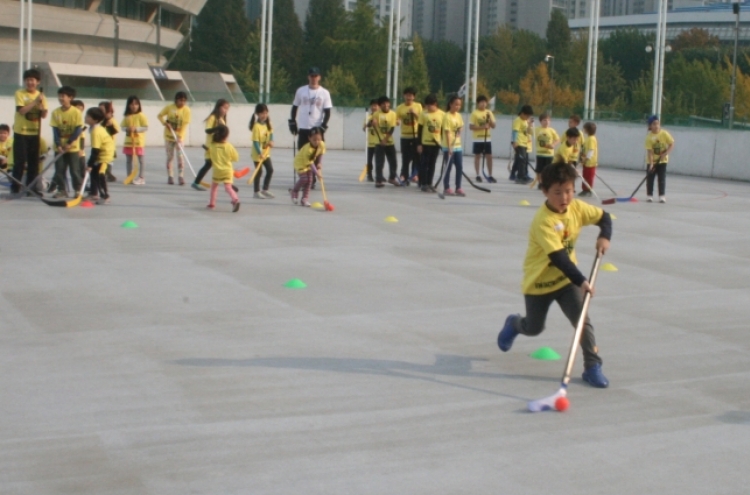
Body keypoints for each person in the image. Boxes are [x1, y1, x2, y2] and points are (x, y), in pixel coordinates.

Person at [497, 161, 612, 388]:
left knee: (582, 321)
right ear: (545, 191)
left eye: (569, 191)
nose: (565, 198)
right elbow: (559, 258)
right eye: (557, 193)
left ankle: (592, 365)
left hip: (566, 282)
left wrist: (604, 236)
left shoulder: (577, 208)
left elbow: (604, 217)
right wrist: (582, 281)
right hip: (539, 282)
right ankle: (514, 324)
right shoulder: (543, 221)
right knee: (534, 328)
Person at [289, 67, 332, 188]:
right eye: (312, 76)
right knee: (303, 153)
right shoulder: (301, 91)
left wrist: (323, 126)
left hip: (317, 128)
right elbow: (295, 107)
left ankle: (312, 178)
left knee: (317, 154)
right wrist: (292, 121)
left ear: (319, 77)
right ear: (308, 77)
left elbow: (327, 111)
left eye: (316, 76)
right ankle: (304, 177)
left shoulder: (324, 93)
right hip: (304, 127)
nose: (314, 78)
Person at [11, 68, 48, 195]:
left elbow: (43, 116)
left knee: (34, 162)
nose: (30, 82)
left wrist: (43, 109)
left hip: (34, 133)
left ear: (38, 82)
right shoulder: (20, 94)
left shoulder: (42, 96)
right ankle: (15, 187)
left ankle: (31, 188)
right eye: (27, 80)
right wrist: (35, 102)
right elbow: (21, 111)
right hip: (21, 132)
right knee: (20, 161)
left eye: (32, 80)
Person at [49, 86, 84, 198]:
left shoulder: (76, 112)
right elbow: (55, 130)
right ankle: (61, 190)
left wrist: (69, 142)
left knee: (74, 170)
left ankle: (78, 190)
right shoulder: (55, 112)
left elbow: (78, 129)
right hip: (59, 148)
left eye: (63, 96)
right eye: (59, 96)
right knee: (59, 170)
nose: (60, 98)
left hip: (72, 147)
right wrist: (58, 144)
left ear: (70, 98)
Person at [193, 99, 229, 191]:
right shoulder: (213, 117)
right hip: (211, 147)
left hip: (218, 147)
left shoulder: (222, 119)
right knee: (210, 165)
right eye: (224, 108)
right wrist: (217, 128)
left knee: (210, 165)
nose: (226, 110)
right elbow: (207, 130)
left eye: (227, 108)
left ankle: (196, 182)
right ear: (218, 107)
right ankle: (228, 184)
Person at [158, 92, 192, 185]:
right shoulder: (169, 107)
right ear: (176, 100)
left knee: (180, 157)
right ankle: (170, 176)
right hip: (169, 137)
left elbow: (185, 124)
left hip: (179, 138)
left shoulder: (187, 110)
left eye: (184, 101)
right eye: (180, 100)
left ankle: (181, 176)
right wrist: (165, 123)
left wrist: (179, 136)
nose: (182, 102)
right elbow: (160, 116)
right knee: (170, 157)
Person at [207, 125, 240, 212]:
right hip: (228, 170)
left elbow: (210, 156)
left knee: (214, 187)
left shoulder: (212, 145)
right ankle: (235, 199)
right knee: (228, 187)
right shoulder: (229, 146)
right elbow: (236, 158)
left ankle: (212, 204)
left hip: (217, 171)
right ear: (226, 135)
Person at [85, 107, 115, 205]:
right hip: (100, 153)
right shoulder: (94, 128)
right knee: (93, 172)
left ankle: (105, 196)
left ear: (95, 120)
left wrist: (89, 164)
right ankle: (94, 193)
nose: (85, 117)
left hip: (105, 155)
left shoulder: (96, 131)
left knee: (100, 174)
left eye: (88, 116)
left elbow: (95, 150)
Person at [290, 127, 326, 207]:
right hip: (300, 163)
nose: (317, 141)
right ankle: (294, 191)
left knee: (310, 180)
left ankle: (304, 199)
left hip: (309, 164)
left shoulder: (322, 144)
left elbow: (321, 153)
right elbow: (310, 163)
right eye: (314, 139)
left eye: (319, 139)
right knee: (304, 179)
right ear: (309, 138)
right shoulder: (308, 149)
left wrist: (319, 163)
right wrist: (317, 173)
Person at [417, 93, 444, 193]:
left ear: (435, 104)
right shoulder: (423, 114)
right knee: (424, 164)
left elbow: (443, 129)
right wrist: (419, 144)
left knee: (432, 164)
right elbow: (419, 130)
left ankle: (429, 183)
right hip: (425, 143)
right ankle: (423, 183)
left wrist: (443, 142)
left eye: (429, 105)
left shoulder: (442, 114)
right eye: (426, 105)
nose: (427, 107)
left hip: (436, 143)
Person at [395, 87, 423, 184]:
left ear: (414, 97)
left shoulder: (418, 106)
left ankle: (415, 174)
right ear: (404, 96)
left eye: (411, 95)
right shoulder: (399, 108)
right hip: (405, 136)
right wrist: (397, 121)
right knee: (405, 157)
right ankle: (404, 175)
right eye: (407, 95)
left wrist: (415, 113)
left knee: (416, 156)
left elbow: (422, 119)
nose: (409, 97)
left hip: (415, 136)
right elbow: (396, 119)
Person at [371, 96, 399, 188]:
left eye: (387, 103)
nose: (386, 105)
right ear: (380, 105)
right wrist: (374, 124)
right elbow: (374, 124)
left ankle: (392, 177)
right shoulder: (376, 114)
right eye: (383, 104)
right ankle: (378, 180)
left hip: (389, 141)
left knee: (393, 161)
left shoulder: (393, 114)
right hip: (379, 142)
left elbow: (392, 128)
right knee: (380, 162)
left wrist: (385, 140)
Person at [644, 115, 674, 203]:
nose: (656, 125)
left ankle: (662, 195)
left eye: (657, 123)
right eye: (654, 124)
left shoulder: (664, 134)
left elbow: (671, 144)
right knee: (650, 179)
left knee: (661, 178)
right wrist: (651, 164)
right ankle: (649, 195)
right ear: (650, 126)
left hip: (662, 161)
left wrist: (666, 153)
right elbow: (650, 152)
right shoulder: (649, 137)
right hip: (652, 161)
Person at [121, 95, 149, 185]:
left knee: (141, 160)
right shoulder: (127, 116)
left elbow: (145, 127)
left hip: (138, 142)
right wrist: (127, 129)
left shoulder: (141, 116)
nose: (134, 106)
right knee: (129, 160)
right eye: (132, 104)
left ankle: (141, 177)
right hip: (129, 142)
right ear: (128, 105)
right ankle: (129, 176)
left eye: (136, 104)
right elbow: (122, 127)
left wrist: (136, 129)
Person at [441, 95, 465, 196]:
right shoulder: (447, 116)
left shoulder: (458, 116)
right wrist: (450, 147)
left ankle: (458, 187)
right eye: (455, 104)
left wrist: (460, 130)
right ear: (451, 104)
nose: (457, 107)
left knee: (459, 166)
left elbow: (461, 126)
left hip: (458, 146)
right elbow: (447, 132)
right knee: (449, 167)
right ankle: (446, 187)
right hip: (448, 146)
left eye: (459, 105)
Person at [250, 103, 275, 199]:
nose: (264, 115)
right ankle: (256, 192)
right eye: (261, 113)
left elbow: (271, 133)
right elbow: (255, 142)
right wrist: (260, 153)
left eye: (265, 113)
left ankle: (265, 189)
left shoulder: (269, 123)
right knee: (258, 172)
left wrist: (271, 141)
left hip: (266, 153)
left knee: (270, 170)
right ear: (257, 114)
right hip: (257, 154)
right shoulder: (256, 127)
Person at [469, 95, 496, 183]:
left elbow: (493, 126)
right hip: (477, 139)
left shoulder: (489, 112)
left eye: (485, 102)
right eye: (481, 102)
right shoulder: (475, 113)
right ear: (478, 103)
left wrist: (490, 120)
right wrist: (482, 127)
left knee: (489, 156)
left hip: (487, 139)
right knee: (477, 156)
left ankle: (490, 175)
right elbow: (471, 127)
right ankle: (477, 175)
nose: (483, 104)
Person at [535, 113, 560, 187]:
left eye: (548, 120)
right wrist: (530, 125)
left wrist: (553, 145)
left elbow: (557, 139)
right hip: (540, 154)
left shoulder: (552, 130)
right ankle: (540, 183)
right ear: (540, 121)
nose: (547, 122)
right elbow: (529, 132)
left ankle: (548, 182)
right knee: (539, 170)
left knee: (549, 170)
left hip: (549, 154)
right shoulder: (537, 129)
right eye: (544, 120)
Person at [510, 105, 533, 184]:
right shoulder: (518, 120)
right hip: (519, 143)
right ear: (523, 113)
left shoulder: (525, 121)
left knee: (524, 160)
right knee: (522, 161)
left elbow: (529, 132)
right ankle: (520, 176)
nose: (528, 117)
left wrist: (530, 125)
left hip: (525, 143)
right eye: (527, 115)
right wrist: (514, 141)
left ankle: (524, 174)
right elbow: (515, 131)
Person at [99, 101, 120, 182]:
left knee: (108, 161)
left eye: (102, 110)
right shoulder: (101, 121)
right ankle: (106, 174)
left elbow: (115, 131)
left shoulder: (112, 120)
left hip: (110, 145)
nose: (100, 112)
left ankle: (108, 174)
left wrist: (110, 125)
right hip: (102, 144)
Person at [579, 122, 598, 197]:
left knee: (589, 177)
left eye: (585, 128)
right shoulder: (588, 138)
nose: (583, 130)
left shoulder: (591, 139)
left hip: (590, 162)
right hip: (586, 162)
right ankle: (584, 189)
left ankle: (588, 190)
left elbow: (591, 150)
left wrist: (586, 159)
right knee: (585, 176)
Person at [72, 100, 87, 190]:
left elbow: (82, 137)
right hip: (70, 148)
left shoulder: (80, 120)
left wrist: (81, 149)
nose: (79, 112)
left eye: (81, 110)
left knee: (81, 170)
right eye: (77, 109)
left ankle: (82, 185)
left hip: (78, 150)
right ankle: (56, 185)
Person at [363, 99, 379, 182]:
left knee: (379, 160)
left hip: (378, 142)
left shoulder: (380, 116)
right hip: (370, 143)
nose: (374, 107)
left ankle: (379, 175)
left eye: (376, 106)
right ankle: (369, 174)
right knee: (369, 160)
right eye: (373, 106)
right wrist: (368, 124)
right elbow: (364, 129)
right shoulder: (368, 116)